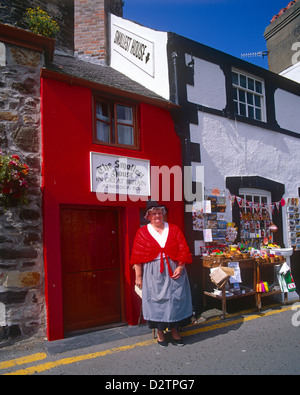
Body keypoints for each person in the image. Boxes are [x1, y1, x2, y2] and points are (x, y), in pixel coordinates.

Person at [130, 201, 193, 348]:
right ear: (148, 216)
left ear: (163, 214)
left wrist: (181, 266)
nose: (157, 216)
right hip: (153, 272)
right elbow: (137, 258)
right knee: (156, 301)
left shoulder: (174, 229)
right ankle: (160, 332)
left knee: (175, 299)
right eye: (153, 213)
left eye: (159, 213)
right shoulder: (142, 233)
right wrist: (138, 277)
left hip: (173, 269)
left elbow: (183, 249)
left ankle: (174, 330)